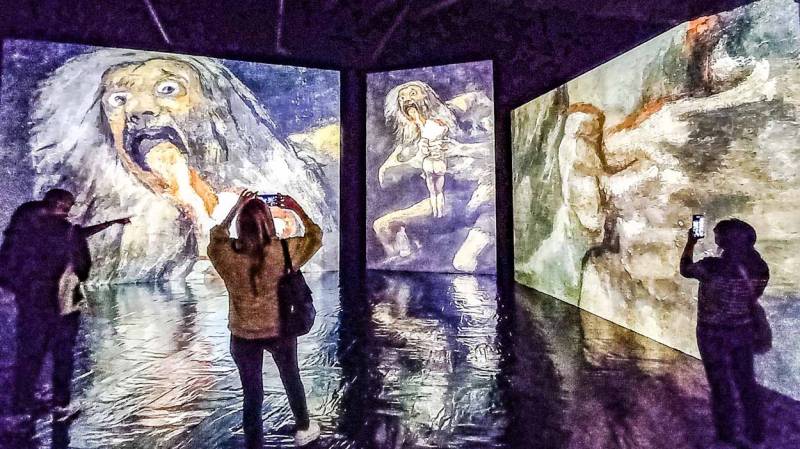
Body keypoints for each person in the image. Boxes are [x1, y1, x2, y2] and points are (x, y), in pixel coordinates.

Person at [0, 189, 129, 430]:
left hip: (31, 304)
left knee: (29, 355)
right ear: (64, 205)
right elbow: (82, 262)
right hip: (62, 305)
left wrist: (20, 291)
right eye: (68, 205)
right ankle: (61, 406)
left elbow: (6, 266)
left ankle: (20, 410)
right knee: (63, 357)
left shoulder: (23, 232)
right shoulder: (67, 232)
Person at [208, 190, 323, 448]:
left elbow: (215, 237)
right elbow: (315, 236)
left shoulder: (227, 254)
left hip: (243, 334)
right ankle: (304, 428)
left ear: (241, 223)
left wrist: (236, 208)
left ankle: (254, 444)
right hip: (280, 329)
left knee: (252, 396)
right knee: (291, 377)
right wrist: (296, 208)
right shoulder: (283, 251)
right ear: (268, 222)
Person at [680, 218, 768, 447]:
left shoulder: (711, 266)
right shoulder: (759, 267)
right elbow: (754, 295)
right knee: (745, 381)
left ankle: (727, 434)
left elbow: (686, 269)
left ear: (725, 241)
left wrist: (691, 242)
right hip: (742, 331)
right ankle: (755, 432)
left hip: (712, 334)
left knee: (720, 385)